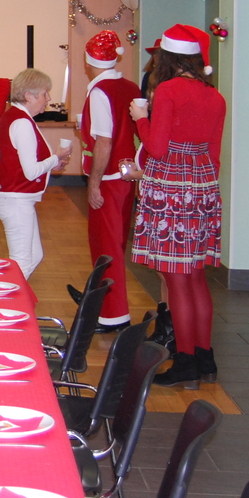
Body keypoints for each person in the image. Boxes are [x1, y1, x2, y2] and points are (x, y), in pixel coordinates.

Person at [130, 24, 226, 389]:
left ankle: (185, 362)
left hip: (171, 187)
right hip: (203, 185)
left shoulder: (169, 90)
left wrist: (140, 118)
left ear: (168, 57)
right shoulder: (215, 96)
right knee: (197, 277)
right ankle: (205, 358)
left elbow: (156, 147)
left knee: (176, 279)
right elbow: (214, 155)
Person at [76, 30, 142, 333]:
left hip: (109, 178)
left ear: (88, 61)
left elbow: (104, 141)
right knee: (116, 242)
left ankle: (113, 313)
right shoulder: (130, 86)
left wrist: (94, 183)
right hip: (126, 176)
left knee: (106, 247)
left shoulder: (99, 92)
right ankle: (104, 305)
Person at [0, 69, 72, 278]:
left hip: (14, 198)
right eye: (45, 93)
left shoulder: (15, 117)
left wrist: (52, 163)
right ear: (29, 95)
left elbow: (24, 164)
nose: (49, 99)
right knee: (22, 261)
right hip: (15, 199)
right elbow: (31, 171)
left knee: (34, 256)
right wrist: (56, 157)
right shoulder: (21, 122)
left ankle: (11, 294)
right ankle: (5, 297)